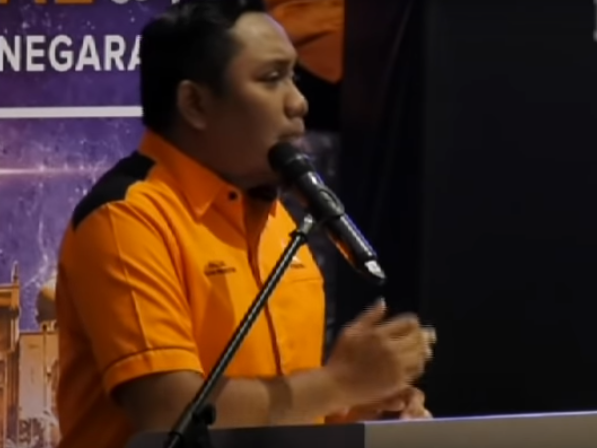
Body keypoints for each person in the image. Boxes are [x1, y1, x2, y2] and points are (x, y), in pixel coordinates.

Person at [54, 1, 434, 448]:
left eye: (294, 77)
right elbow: (169, 413)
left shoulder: (279, 221)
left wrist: (361, 410)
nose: (299, 102)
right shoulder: (127, 218)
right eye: (271, 78)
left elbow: (287, 407)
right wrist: (341, 383)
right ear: (195, 104)